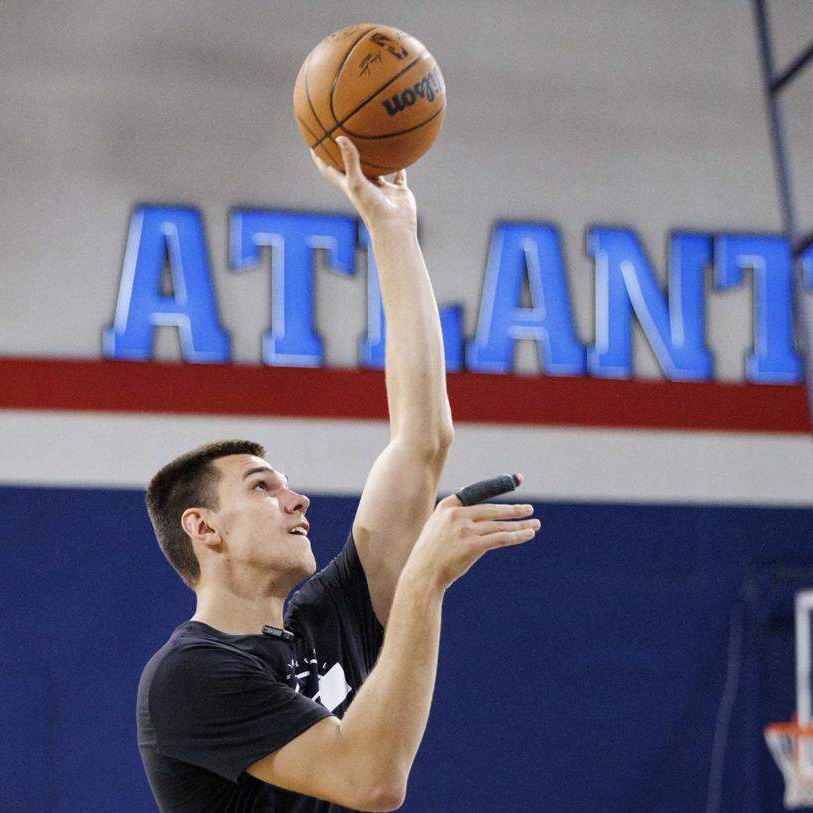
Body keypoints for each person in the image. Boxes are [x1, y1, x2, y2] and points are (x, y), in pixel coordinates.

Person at [136, 137, 541, 812]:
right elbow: (371, 778)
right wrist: (421, 581)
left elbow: (423, 439)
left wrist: (393, 230)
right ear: (203, 526)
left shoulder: (322, 619)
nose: (296, 499)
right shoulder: (189, 676)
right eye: (262, 486)